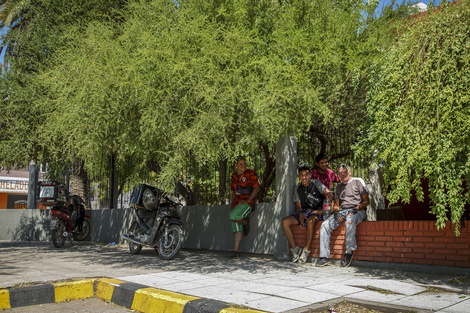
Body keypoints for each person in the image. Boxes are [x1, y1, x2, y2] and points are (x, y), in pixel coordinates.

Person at [316, 164, 369, 268]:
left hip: (358, 210)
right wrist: (336, 213)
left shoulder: (358, 181)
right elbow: (336, 205)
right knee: (325, 225)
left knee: (350, 221)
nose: (342, 174)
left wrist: (356, 209)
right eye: (340, 173)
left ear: (349, 172)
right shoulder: (339, 186)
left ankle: (349, 252)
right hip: (343, 211)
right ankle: (324, 257)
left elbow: (367, 201)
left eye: (344, 172)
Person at [282, 166, 331, 263]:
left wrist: (324, 210)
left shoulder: (316, 183)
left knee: (310, 221)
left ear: (309, 175)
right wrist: (300, 214)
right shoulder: (297, 188)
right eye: (302, 175)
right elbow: (298, 205)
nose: (304, 177)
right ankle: (295, 249)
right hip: (305, 212)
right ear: (299, 177)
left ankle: (306, 250)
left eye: (306, 175)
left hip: (316, 212)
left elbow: (329, 194)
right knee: (285, 222)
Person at [226, 156, 260, 258]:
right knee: (236, 226)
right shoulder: (233, 176)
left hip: (246, 204)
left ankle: (246, 222)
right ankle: (236, 252)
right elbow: (233, 191)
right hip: (237, 204)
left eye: (244, 163)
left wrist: (248, 200)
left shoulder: (250, 173)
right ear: (236, 165)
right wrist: (231, 204)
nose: (243, 166)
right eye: (241, 164)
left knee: (232, 216)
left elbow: (257, 188)